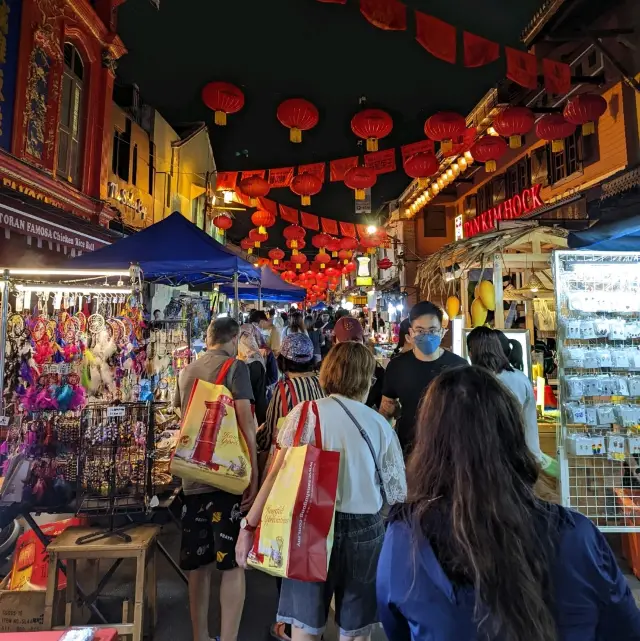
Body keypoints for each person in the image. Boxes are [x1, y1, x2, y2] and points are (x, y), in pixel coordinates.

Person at [377, 366, 640, 641]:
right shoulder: (578, 536)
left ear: (428, 444)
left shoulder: (406, 540)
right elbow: (625, 628)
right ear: (514, 436)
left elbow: (397, 626)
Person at [237, 342, 407, 641]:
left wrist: (248, 525)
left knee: (304, 631)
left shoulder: (306, 414)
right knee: (356, 634)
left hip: (309, 527)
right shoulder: (380, 424)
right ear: (366, 378)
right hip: (366, 533)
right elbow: (396, 495)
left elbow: (275, 475)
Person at [173, 318, 258, 641]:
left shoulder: (186, 371)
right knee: (232, 564)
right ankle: (228, 637)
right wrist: (252, 471)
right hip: (226, 479)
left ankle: (200, 635)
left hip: (192, 478)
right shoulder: (236, 369)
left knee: (198, 565)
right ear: (233, 339)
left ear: (208, 339)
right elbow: (246, 422)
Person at [468, 327, 559, 481]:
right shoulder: (520, 378)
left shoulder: (471, 381)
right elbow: (529, 424)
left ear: (473, 352)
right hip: (518, 461)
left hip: (484, 464)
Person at [380, 301, 467, 454]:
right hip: (408, 450)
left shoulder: (459, 367)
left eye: (432, 330)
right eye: (420, 330)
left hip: (450, 451)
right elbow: (386, 411)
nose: (426, 335)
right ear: (411, 333)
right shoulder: (397, 366)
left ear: (442, 332)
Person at [256, 333, 324, 464]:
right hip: (321, 455)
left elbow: (270, 432)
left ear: (282, 360)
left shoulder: (284, 389)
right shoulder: (323, 382)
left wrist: (257, 437)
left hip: (292, 460)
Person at [334, 315, 385, 410]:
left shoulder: (324, 370)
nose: (350, 350)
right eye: (346, 344)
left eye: (354, 343)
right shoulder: (377, 371)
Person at [238, 323, 269, 426]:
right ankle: (262, 425)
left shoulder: (241, 337)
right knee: (259, 397)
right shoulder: (251, 337)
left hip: (247, 366)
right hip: (256, 365)